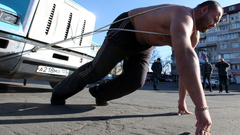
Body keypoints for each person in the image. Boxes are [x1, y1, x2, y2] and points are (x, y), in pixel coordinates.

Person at [51, 1, 223, 134]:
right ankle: (59, 91)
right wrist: (202, 108)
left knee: (135, 81)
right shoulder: (183, 16)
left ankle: (99, 93)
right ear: (204, 9)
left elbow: (186, 67)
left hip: (144, 46)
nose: (214, 24)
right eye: (215, 19)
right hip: (127, 29)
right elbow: (185, 56)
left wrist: (181, 101)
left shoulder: (194, 36)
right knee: (97, 71)